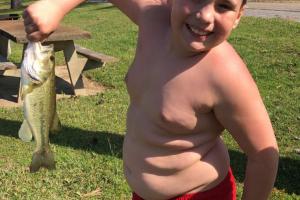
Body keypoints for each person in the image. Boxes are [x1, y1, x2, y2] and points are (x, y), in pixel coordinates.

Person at [23, 0, 279, 199]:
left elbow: (263, 155)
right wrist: (55, 5)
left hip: (200, 195)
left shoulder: (226, 75)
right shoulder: (154, 20)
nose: (204, 16)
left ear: (239, 16)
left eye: (224, 5)